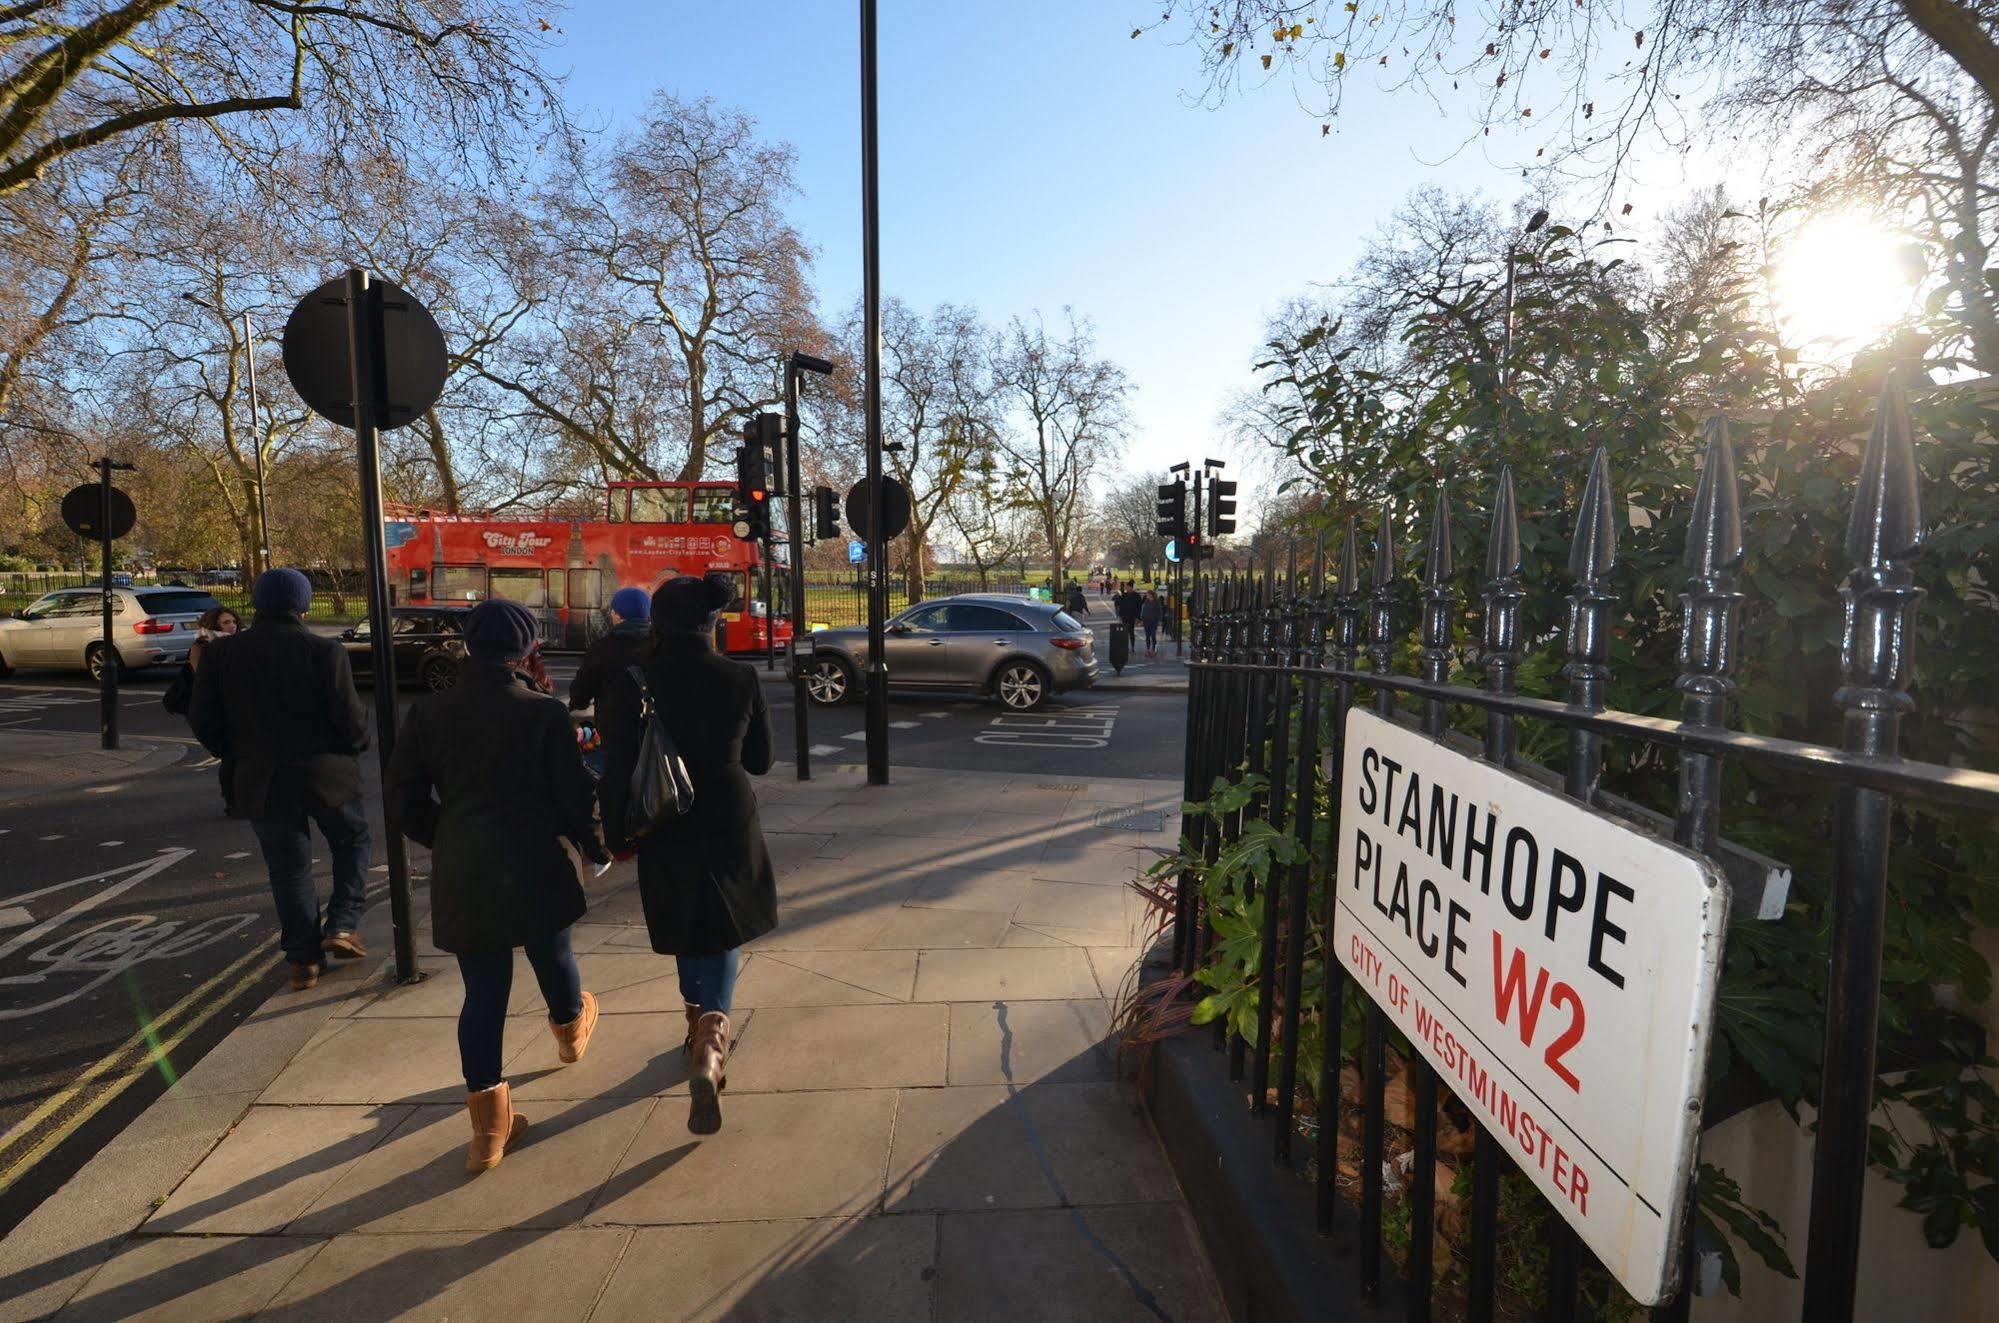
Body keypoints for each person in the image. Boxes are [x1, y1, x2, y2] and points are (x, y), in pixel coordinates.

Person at [386, 599, 608, 1174]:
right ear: (526, 648)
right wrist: (595, 844)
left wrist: (449, 836)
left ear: (468, 646)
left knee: (484, 994)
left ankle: (487, 1131)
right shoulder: (542, 712)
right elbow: (573, 795)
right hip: (534, 858)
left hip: (466, 865)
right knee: (552, 952)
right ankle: (569, 1030)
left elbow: (404, 799)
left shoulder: (428, 714)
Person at [598, 573, 775, 1136]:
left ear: (659, 622)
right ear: (711, 622)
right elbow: (762, 759)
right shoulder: (740, 676)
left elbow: (616, 767)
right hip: (725, 813)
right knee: (721, 925)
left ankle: (695, 1022)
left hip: (661, 814)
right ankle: (711, 1045)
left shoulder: (632, 680)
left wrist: (616, 833)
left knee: (683, 916)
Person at [191, 569, 372, 991]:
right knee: (352, 841)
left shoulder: (223, 655)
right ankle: (343, 924)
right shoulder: (324, 651)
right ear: (304, 605)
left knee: (288, 868)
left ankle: (303, 960)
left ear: (257, 604)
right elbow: (350, 717)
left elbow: (203, 718)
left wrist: (235, 751)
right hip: (325, 774)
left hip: (260, 776)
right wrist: (357, 744)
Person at [164, 605, 242, 812]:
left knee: (237, 755)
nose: (232, 626)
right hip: (211, 708)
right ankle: (233, 802)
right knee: (231, 754)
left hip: (230, 706)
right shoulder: (204, 645)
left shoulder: (234, 644)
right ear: (214, 624)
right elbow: (204, 680)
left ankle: (237, 800)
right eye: (226, 622)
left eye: (233, 621)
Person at [568, 586, 653, 714]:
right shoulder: (662, 646)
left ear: (616, 615)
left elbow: (579, 696)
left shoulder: (602, 649)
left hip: (615, 730)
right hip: (654, 729)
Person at [1140, 589, 1165, 660]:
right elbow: (1143, 610)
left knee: (1153, 635)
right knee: (1147, 636)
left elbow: (1160, 611)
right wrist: (1142, 619)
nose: (1146, 595)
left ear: (1151, 595)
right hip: (1146, 620)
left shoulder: (1156, 602)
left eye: (1147, 594)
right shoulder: (1146, 601)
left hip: (1153, 621)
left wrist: (1159, 620)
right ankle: (1148, 649)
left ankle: (1154, 649)